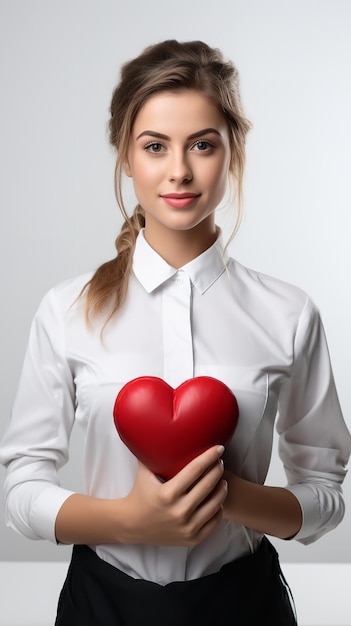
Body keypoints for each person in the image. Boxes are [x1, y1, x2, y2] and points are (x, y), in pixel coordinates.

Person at [0, 40, 350, 626]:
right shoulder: (66, 310)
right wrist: (128, 520)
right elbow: (21, 490)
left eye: (203, 145)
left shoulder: (289, 313)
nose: (180, 170)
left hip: (244, 606)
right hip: (100, 606)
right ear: (125, 156)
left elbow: (326, 496)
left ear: (231, 153)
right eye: (155, 146)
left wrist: (236, 500)